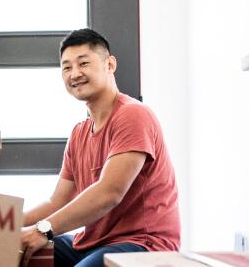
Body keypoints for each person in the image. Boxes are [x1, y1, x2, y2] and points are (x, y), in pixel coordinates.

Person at [20, 29, 180, 267]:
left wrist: (43, 230)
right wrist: (5, 226)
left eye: (83, 63)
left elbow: (109, 193)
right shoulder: (79, 133)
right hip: (92, 243)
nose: (75, 73)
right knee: (14, 249)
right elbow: (57, 201)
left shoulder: (133, 115)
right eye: (66, 67)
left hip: (143, 244)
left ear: (110, 64)